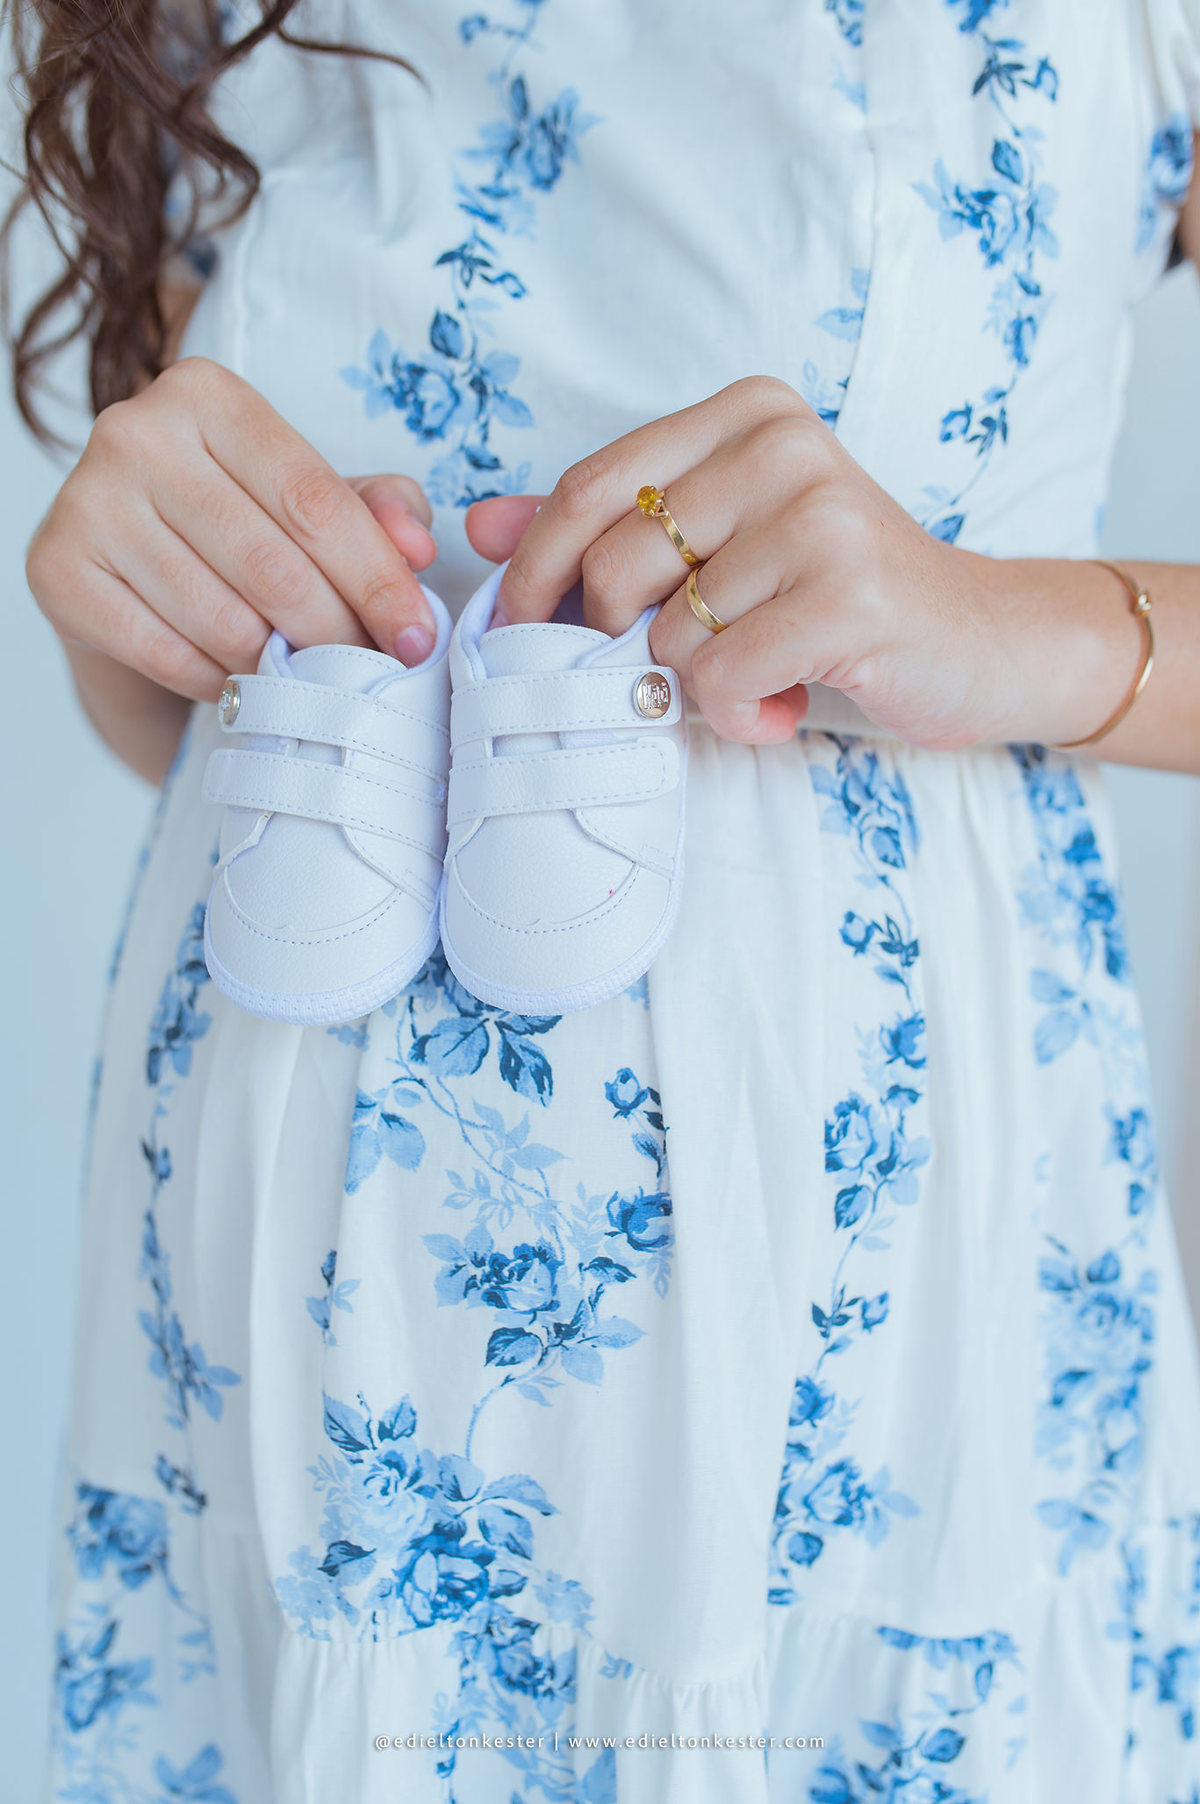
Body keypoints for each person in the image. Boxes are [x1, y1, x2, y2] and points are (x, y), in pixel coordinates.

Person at [9, 0, 1200, 1798]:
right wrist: (134, 600)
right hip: (285, 1343)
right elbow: (194, 733)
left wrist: (1005, 624)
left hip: (854, 1327)